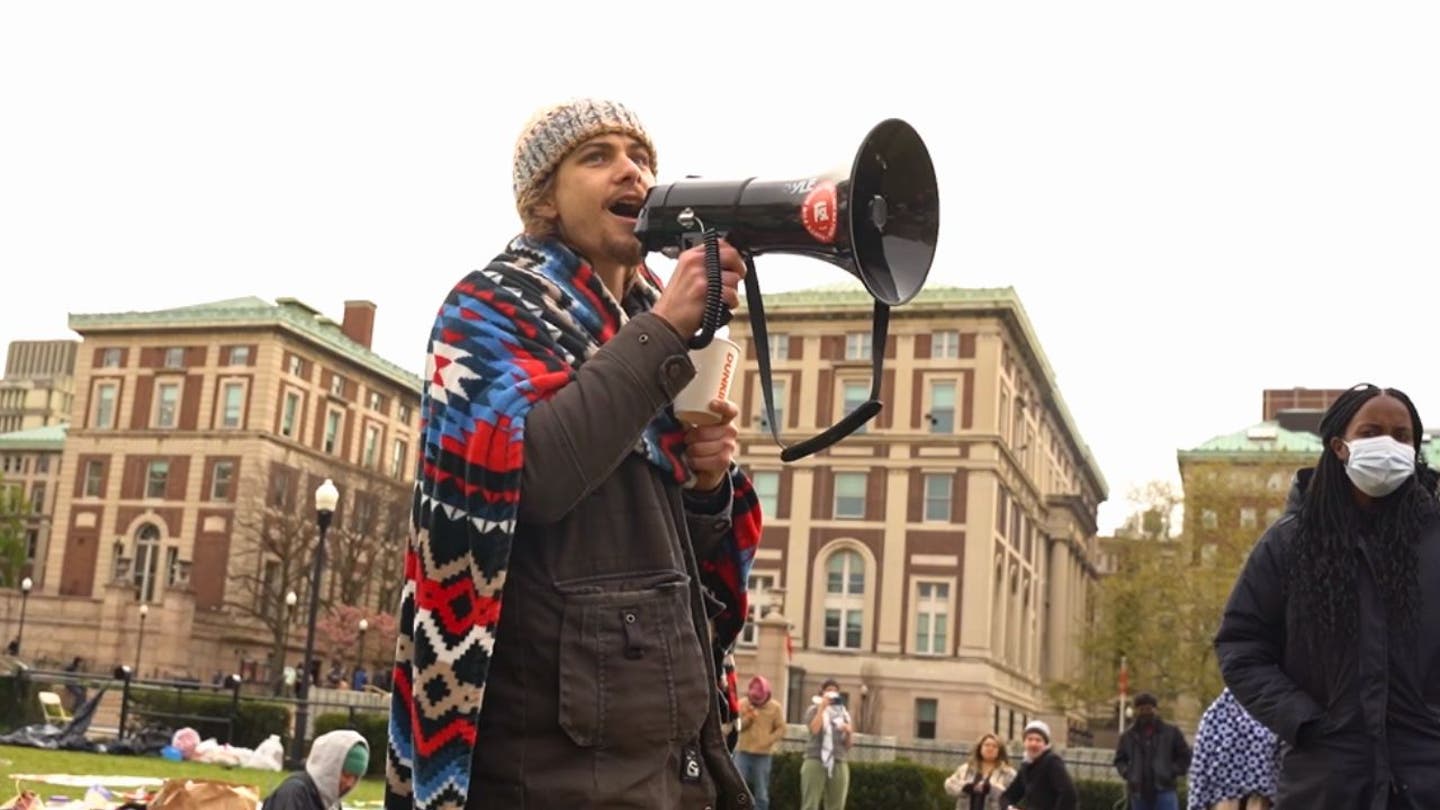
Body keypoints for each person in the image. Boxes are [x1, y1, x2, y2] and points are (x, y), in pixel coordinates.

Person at [385, 98, 763, 810]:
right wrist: (660, 331)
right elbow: (537, 476)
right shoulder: (487, 309)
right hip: (551, 770)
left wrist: (707, 484)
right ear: (543, 202)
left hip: (666, 760)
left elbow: (665, 549)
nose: (632, 170)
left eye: (641, 158)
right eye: (598, 157)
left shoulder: (654, 329)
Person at [1215, 384, 1440, 809]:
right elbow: (1240, 644)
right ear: (1339, 445)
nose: (1388, 445)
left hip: (1426, 778)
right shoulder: (1289, 544)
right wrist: (1303, 719)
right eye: (1371, 432)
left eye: (1402, 435)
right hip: (1324, 783)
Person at [1186, 688, 1279, 810]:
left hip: (1225, 796)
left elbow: (1200, 768)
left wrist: (1196, 803)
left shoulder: (1214, 716)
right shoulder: (1274, 708)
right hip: (1260, 796)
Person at [1114, 692, 1192, 810]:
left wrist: (1171, 771)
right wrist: (1128, 773)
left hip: (1165, 790)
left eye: (1149, 708)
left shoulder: (1171, 732)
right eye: (1142, 709)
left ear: (1156, 710)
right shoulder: (1128, 736)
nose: (1146, 712)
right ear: (1136, 711)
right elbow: (1119, 759)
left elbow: (1185, 756)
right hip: (1138, 792)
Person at [263, 729, 368, 810]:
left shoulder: (331, 803)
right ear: (329, 767)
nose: (349, 783)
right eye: (346, 774)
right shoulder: (295, 792)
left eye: (355, 778)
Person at [734, 675, 786, 810]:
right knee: (737, 787)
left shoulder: (775, 707)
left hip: (763, 755)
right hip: (743, 751)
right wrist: (748, 718)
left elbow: (781, 729)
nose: (756, 701)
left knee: (761, 792)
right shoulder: (742, 704)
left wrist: (768, 740)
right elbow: (737, 727)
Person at [800, 679, 853, 810]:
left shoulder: (843, 714)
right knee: (810, 802)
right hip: (816, 758)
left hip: (838, 760)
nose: (832, 694)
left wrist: (849, 732)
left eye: (835, 691)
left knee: (837, 804)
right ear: (822, 693)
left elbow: (848, 745)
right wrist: (822, 709)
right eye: (829, 690)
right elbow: (814, 729)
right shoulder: (813, 709)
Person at [1000, 721, 1077, 810]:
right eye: (1030, 739)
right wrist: (1009, 807)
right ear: (1024, 742)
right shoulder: (1026, 765)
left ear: (1046, 744)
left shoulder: (1052, 761)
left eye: (1038, 740)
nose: (1033, 744)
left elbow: (1068, 794)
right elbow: (1008, 795)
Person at [944, 733, 1016, 810]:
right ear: (980, 748)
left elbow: (1013, 795)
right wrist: (966, 787)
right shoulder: (966, 769)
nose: (990, 748)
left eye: (994, 746)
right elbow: (949, 785)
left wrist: (992, 789)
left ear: (1000, 751)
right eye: (986, 745)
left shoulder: (1008, 772)